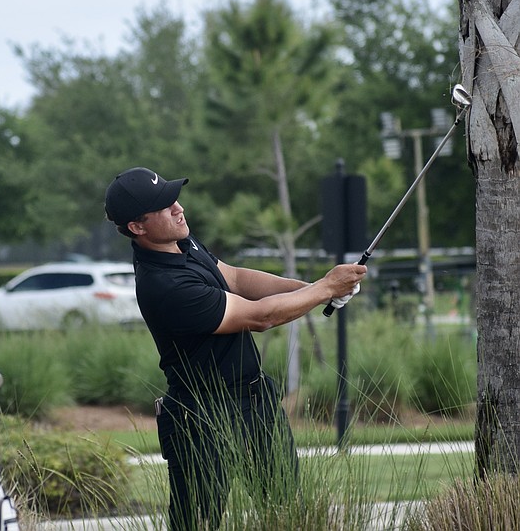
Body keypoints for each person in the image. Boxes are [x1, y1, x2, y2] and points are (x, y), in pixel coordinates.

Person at [104, 167, 366, 530]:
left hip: (256, 403)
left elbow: (238, 279)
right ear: (137, 227)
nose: (178, 207)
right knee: (198, 523)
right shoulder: (163, 285)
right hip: (203, 417)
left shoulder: (184, 244)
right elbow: (259, 317)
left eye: (173, 198)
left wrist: (313, 286)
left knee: (288, 517)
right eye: (164, 206)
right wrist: (324, 289)